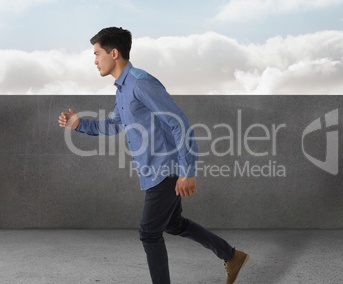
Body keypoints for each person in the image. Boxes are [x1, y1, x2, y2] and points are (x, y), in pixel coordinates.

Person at [58, 27, 249, 284]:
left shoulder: (140, 82)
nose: (94, 60)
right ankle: (232, 256)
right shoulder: (123, 89)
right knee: (174, 223)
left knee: (149, 233)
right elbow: (115, 124)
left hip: (166, 169)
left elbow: (178, 122)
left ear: (113, 53)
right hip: (153, 171)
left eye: (97, 54)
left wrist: (187, 171)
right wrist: (79, 124)